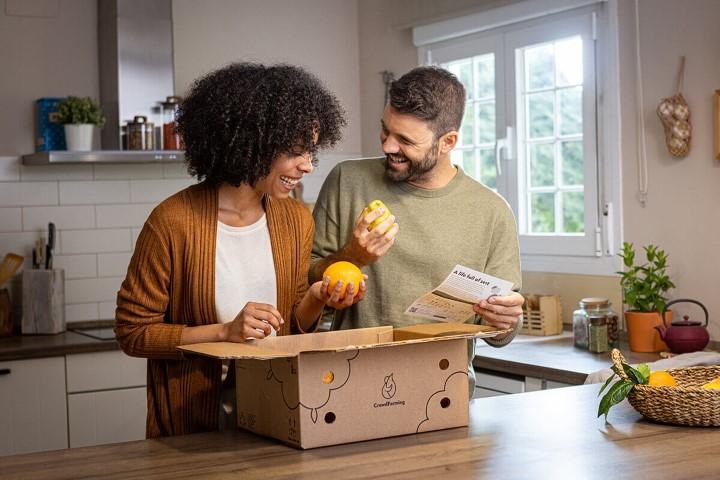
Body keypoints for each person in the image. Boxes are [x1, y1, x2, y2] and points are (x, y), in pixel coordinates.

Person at [115, 63, 361, 438]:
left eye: (312, 151)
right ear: (251, 142)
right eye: (296, 151)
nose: (308, 165)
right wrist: (225, 331)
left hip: (279, 411)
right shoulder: (172, 222)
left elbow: (293, 326)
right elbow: (133, 333)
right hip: (196, 424)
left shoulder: (296, 220)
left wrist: (315, 297)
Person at [310, 66, 524, 394]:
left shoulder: (492, 213)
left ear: (448, 141)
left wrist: (506, 320)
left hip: (444, 392)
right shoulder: (346, 181)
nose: (388, 146)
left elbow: (498, 332)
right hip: (349, 386)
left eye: (406, 140)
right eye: (385, 131)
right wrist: (354, 256)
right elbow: (305, 282)